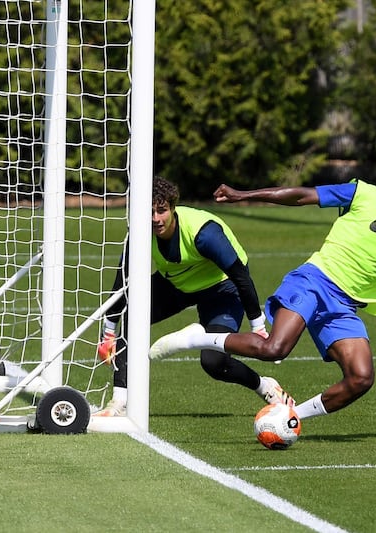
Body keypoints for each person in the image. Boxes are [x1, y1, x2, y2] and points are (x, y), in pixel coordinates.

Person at [149, 149, 376, 424]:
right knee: (275, 349)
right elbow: (303, 195)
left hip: (344, 305)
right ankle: (197, 338)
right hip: (314, 282)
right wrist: (244, 195)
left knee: (361, 378)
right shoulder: (361, 193)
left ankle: (292, 417)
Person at [94, 176, 293, 416]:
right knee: (132, 317)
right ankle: (119, 401)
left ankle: (265, 386)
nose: (156, 219)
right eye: (150, 212)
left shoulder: (204, 234)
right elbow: (123, 281)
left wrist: (258, 328)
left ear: (173, 207)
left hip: (222, 290)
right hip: (177, 283)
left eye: (161, 211)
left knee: (213, 363)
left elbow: (241, 276)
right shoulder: (139, 232)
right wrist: (108, 332)